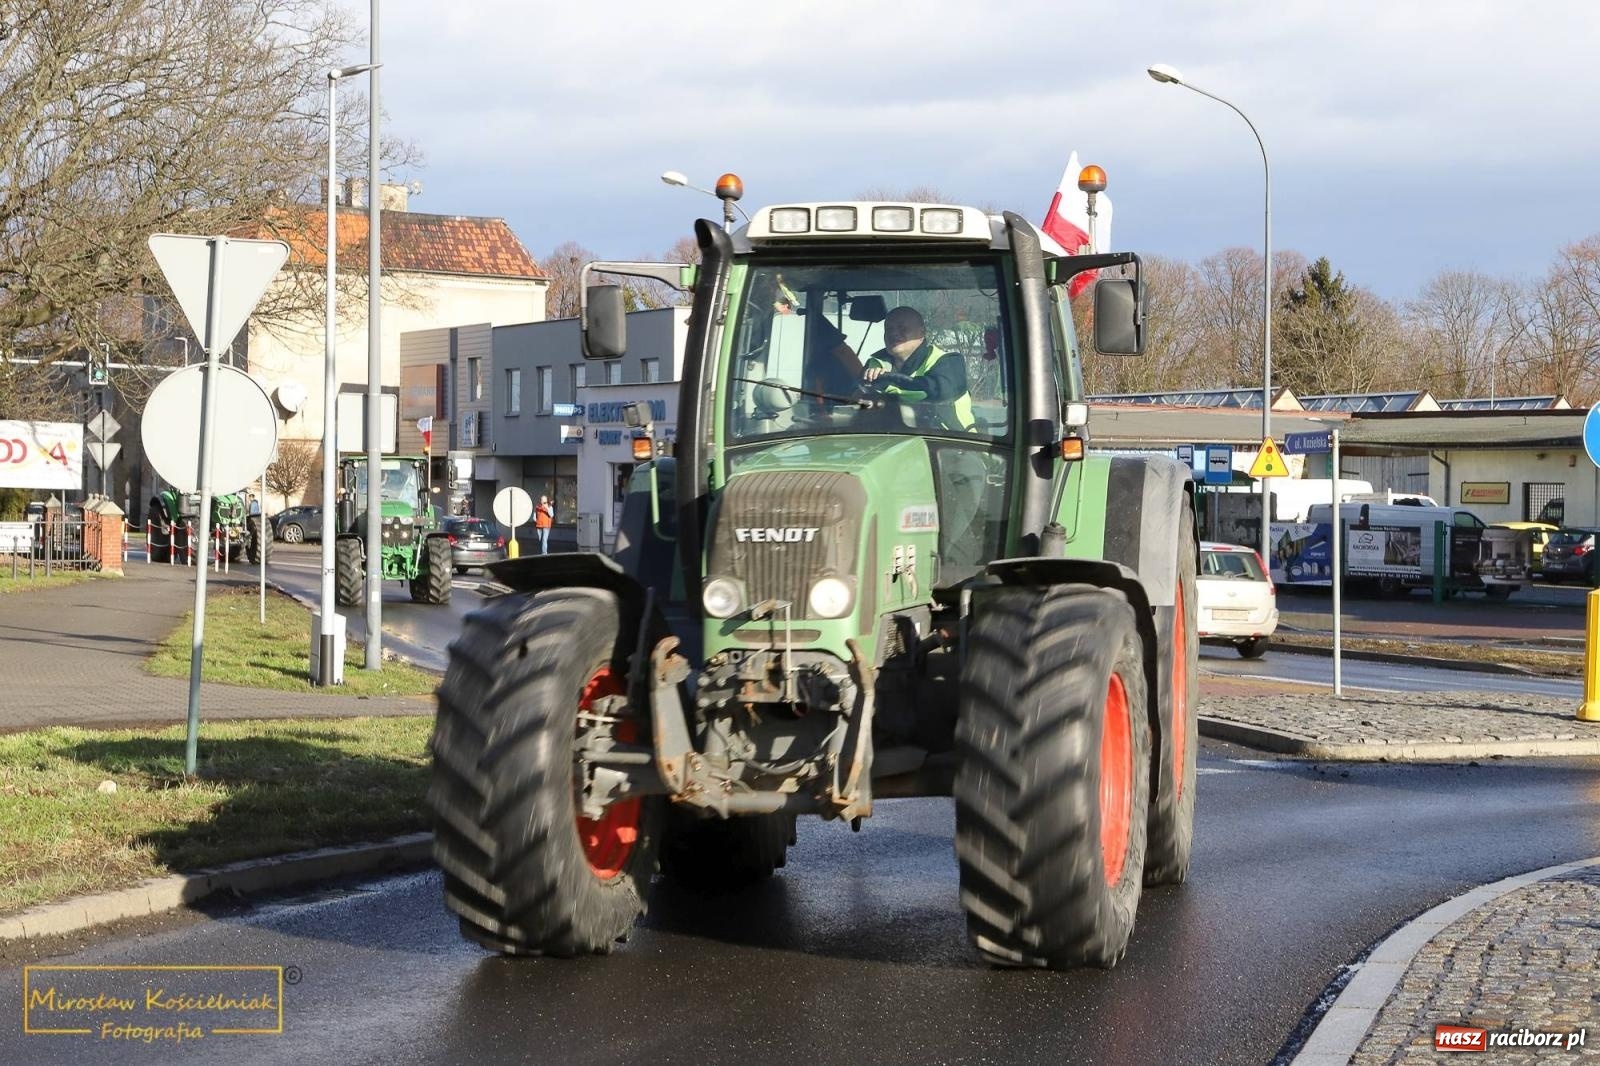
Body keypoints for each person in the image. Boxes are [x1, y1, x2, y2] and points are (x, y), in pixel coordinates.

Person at [860, 306, 975, 431]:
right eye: (888, 329)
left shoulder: (949, 362)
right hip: (888, 441)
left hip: (956, 444)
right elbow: (854, 399)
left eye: (902, 328)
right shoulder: (874, 363)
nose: (893, 333)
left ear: (922, 333)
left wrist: (886, 383)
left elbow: (939, 393)